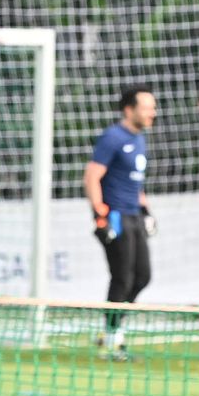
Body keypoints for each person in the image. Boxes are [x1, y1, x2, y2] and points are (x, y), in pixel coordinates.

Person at [82, 88, 156, 362]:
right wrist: (99, 212)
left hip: (134, 215)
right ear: (129, 109)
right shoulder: (113, 137)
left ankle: (110, 329)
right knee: (122, 278)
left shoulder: (139, 139)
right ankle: (111, 342)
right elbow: (91, 176)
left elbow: (135, 183)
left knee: (142, 277)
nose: (152, 113)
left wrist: (147, 211)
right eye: (147, 108)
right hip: (116, 217)